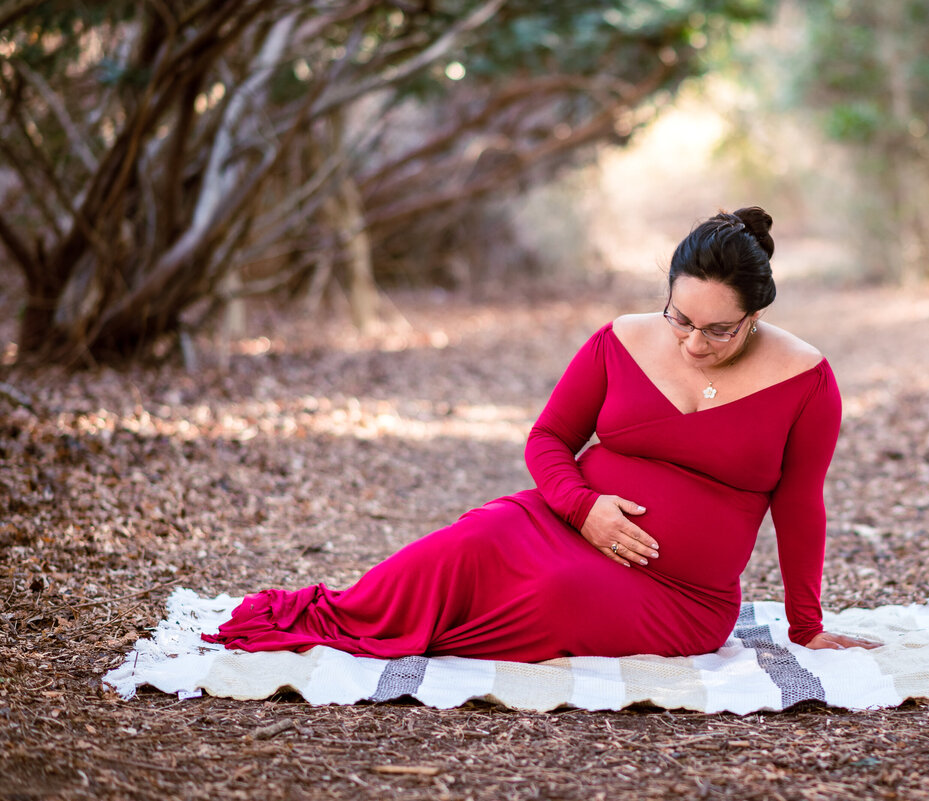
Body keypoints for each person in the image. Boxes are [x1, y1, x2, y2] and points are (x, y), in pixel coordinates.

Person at [202, 206, 879, 660]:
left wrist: (807, 625)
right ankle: (333, 617)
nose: (693, 342)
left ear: (754, 315)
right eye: (680, 318)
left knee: (559, 596)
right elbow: (548, 439)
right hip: (559, 521)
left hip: (680, 597)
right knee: (465, 544)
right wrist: (584, 509)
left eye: (718, 330)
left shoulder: (805, 380)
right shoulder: (620, 339)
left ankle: (423, 640)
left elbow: (800, 506)